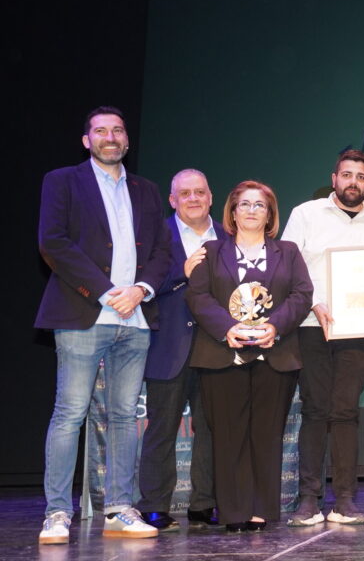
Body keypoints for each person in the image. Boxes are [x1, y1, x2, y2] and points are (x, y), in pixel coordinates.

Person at [36, 106, 172, 544]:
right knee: (70, 414)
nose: (110, 137)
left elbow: (162, 251)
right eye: (100, 131)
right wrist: (106, 289)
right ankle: (57, 513)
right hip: (84, 315)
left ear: (127, 140)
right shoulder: (62, 181)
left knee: (123, 417)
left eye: (117, 130)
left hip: (134, 320)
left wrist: (141, 289)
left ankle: (118, 508)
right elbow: (52, 242)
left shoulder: (147, 190)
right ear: (86, 140)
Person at [186, 181, 313, 532]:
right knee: (228, 435)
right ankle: (234, 511)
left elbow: (302, 294)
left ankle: (260, 509)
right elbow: (198, 296)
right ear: (232, 211)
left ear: (270, 213)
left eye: (260, 205)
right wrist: (227, 327)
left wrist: (277, 326)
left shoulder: (288, 251)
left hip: (276, 354)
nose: (252, 210)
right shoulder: (210, 251)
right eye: (245, 204)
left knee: (267, 434)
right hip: (222, 354)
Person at [282, 150, 364, 526]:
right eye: (346, 175)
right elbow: (288, 267)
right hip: (311, 327)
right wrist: (314, 303)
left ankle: (345, 499)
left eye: (360, 177)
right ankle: (309, 500)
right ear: (334, 179)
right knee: (315, 411)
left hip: (358, 332)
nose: (353, 182)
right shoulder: (305, 214)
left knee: (345, 413)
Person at [137, 169, 224, 531]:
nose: (193, 199)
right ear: (172, 200)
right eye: (184, 193)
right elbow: (142, 280)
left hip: (216, 348)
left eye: (199, 192)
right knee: (162, 429)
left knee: (212, 429)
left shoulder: (228, 235)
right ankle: (154, 506)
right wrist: (181, 273)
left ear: (210, 197)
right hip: (168, 345)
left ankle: (204, 505)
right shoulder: (154, 234)